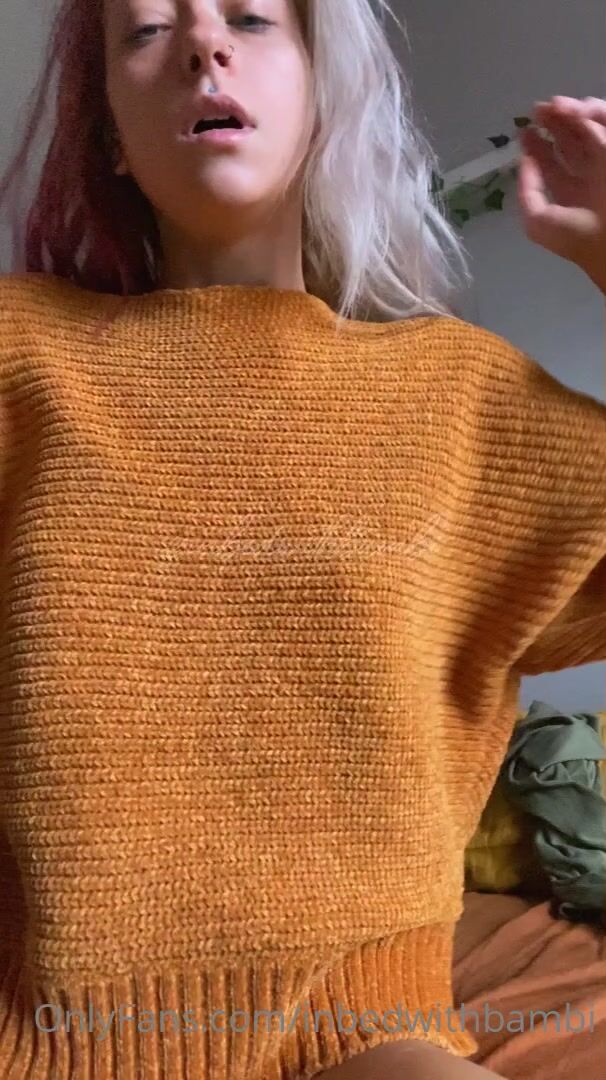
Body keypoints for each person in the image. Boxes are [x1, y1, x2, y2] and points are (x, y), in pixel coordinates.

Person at [0, 2, 605, 1078]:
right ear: (110, 137)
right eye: (146, 31)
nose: (203, 43)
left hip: (362, 1025)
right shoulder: (21, 354)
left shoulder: (460, 400)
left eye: (252, 18)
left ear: (328, 95)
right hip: (49, 1034)